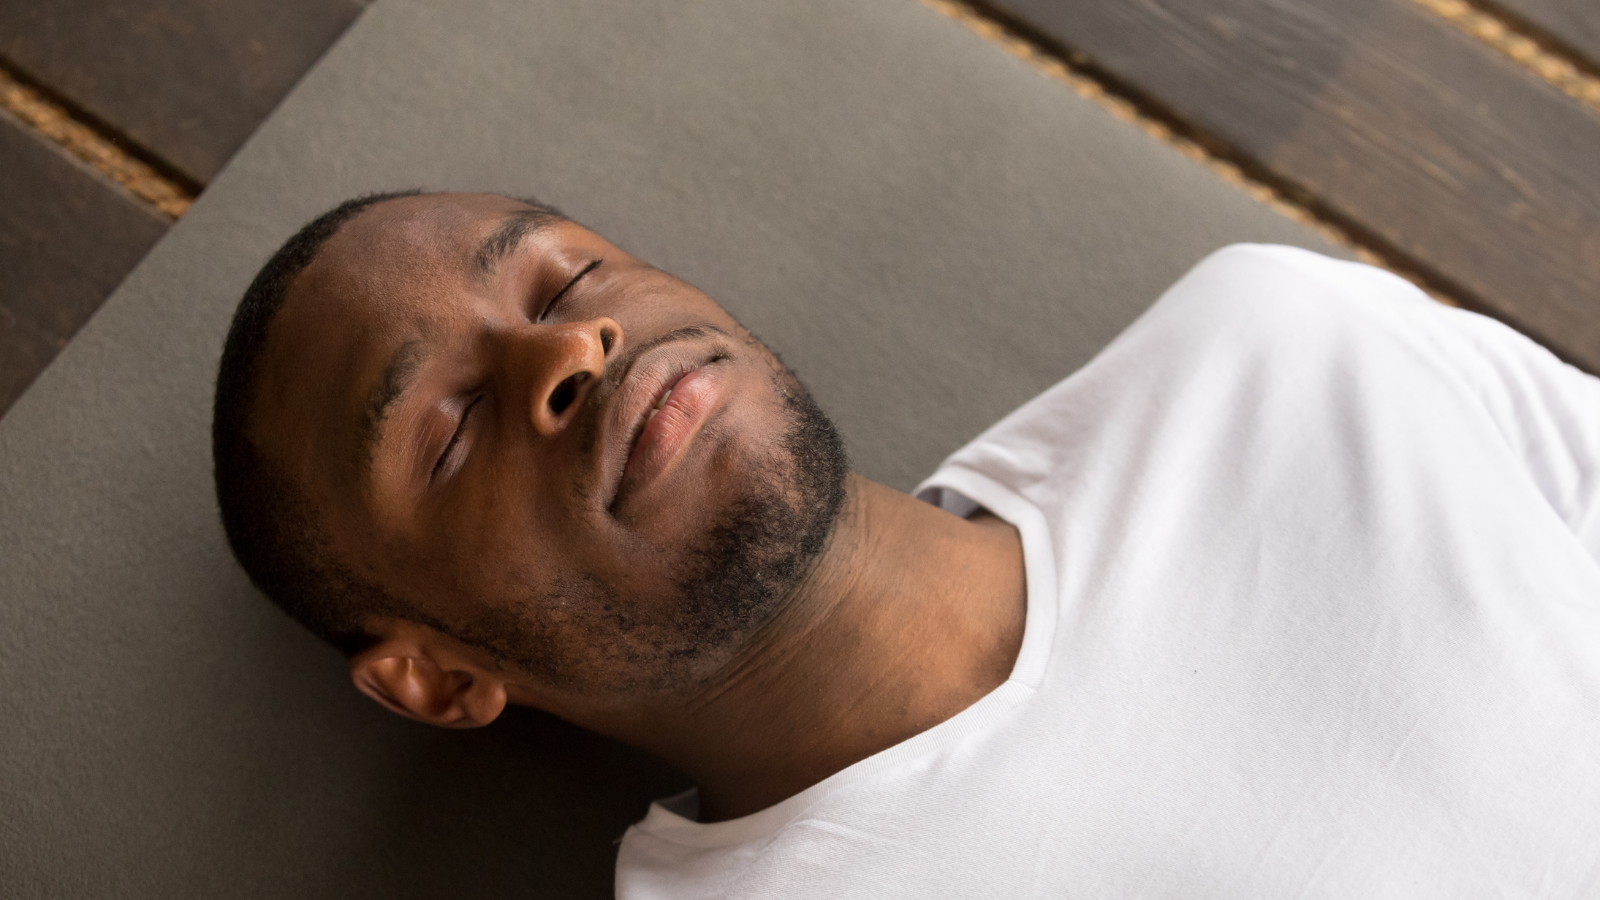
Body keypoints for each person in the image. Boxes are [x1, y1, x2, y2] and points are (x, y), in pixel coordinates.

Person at [213, 191, 1600, 898]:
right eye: (452, 429)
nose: (571, 347)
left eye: (567, 276)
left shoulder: (1284, 353)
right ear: (438, 678)